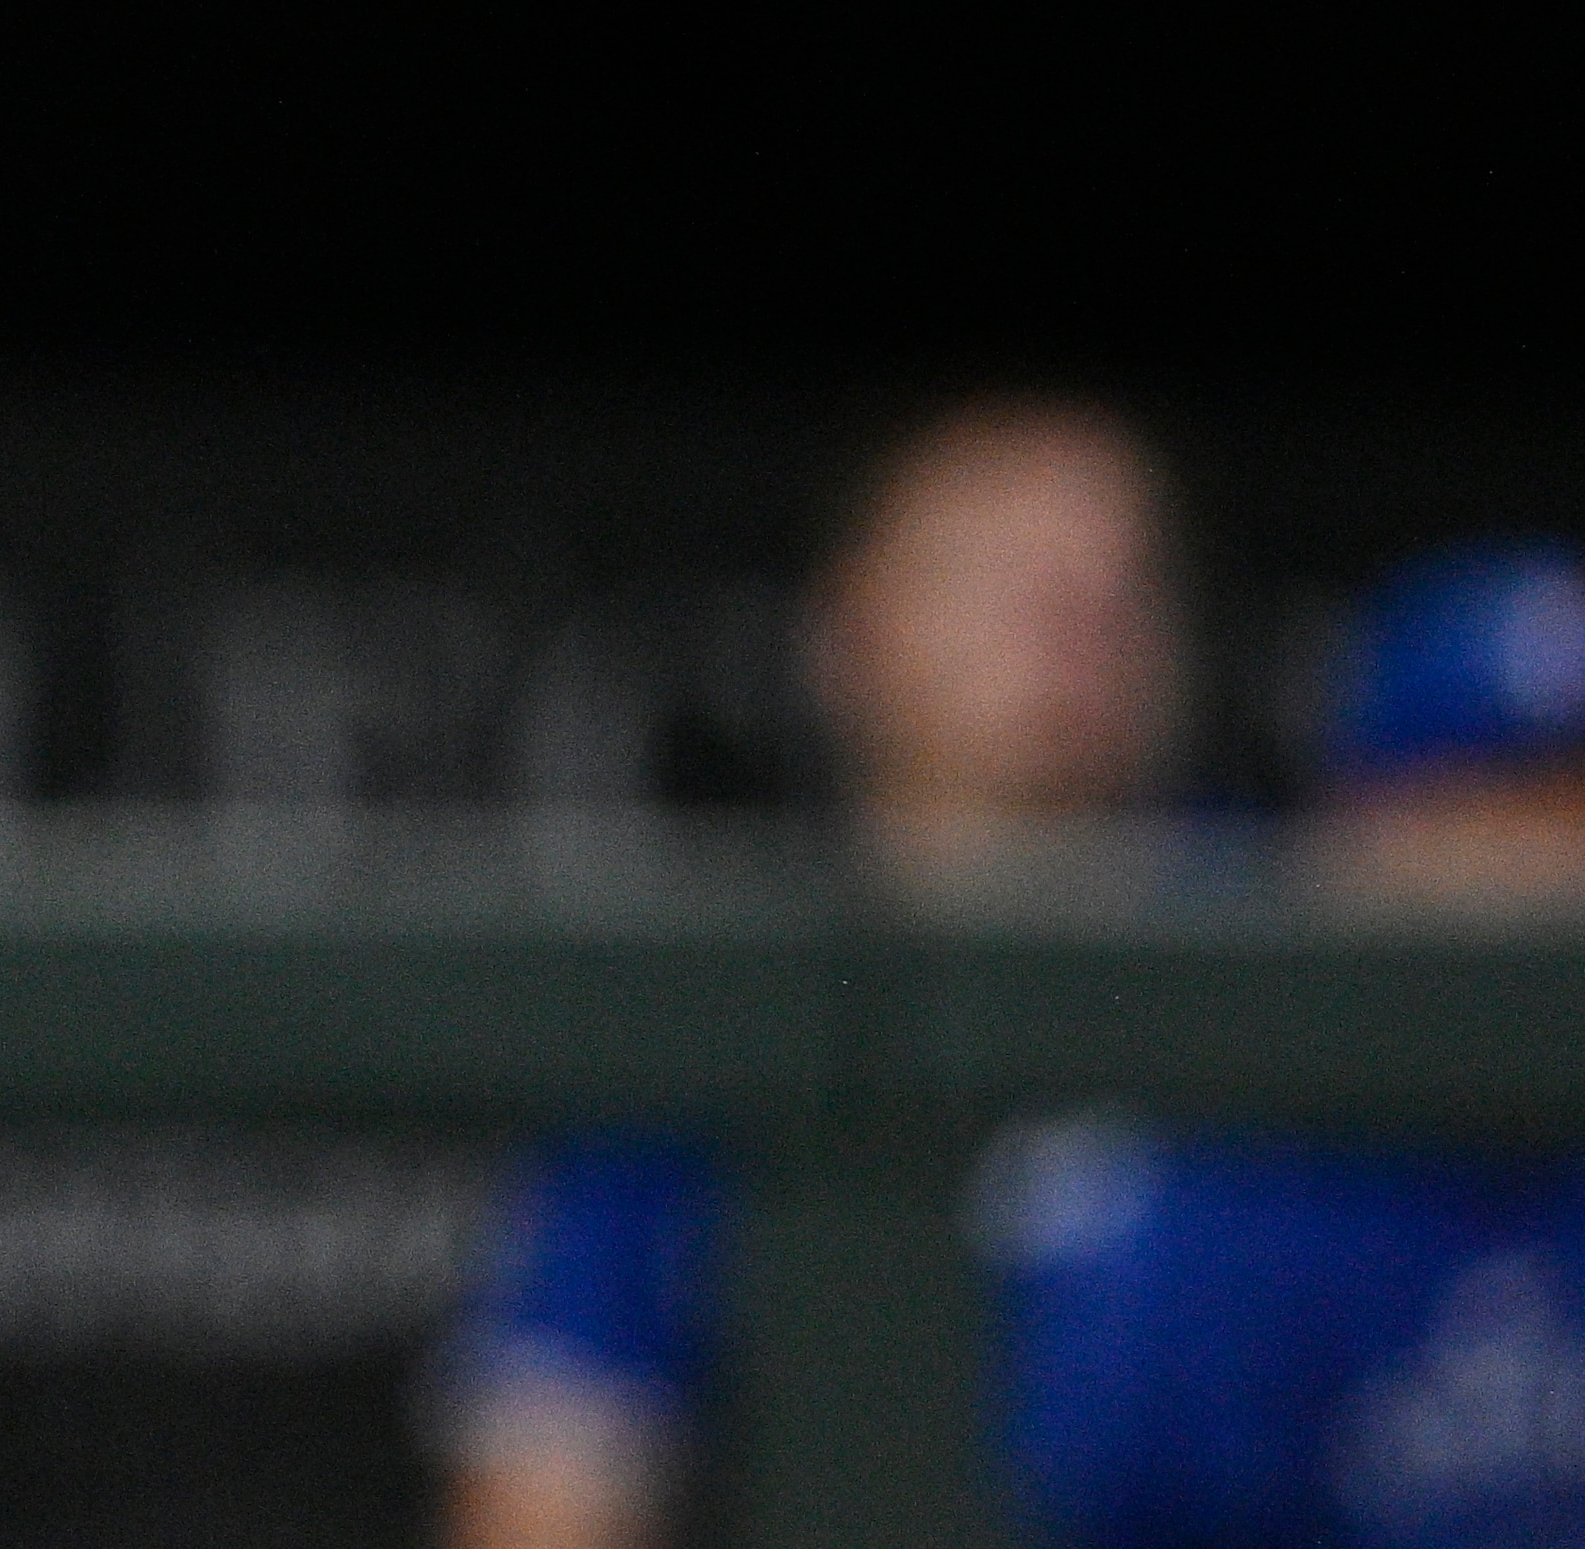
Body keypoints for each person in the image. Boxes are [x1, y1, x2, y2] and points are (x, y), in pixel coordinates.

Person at [438, 395, 1190, 1549]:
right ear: (854, 626)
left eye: (1112, 588)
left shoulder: (1289, 973)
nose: (1068, 626)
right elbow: (548, 1487)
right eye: (1003, 578)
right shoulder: (718, 1010)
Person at [999, 541, 1585, 1548]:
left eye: (1569, 810)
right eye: (1484, 808)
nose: (1545, 867)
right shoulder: (1216, 1186)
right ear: (1351, 842)